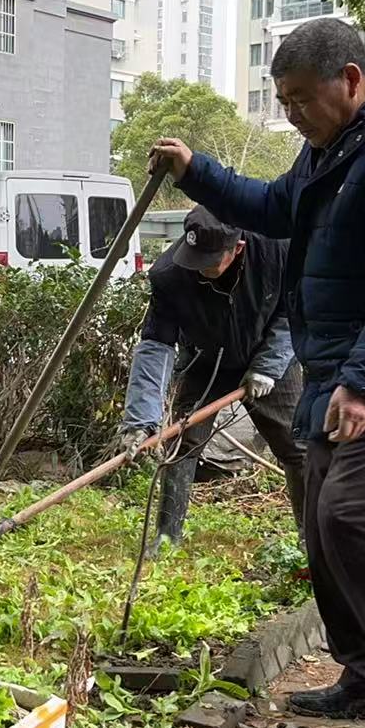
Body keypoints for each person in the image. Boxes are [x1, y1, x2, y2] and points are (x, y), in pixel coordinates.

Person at [148, 17, 365, 728]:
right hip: (344, 368)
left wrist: (364, 384)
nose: (291, 112)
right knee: (319, 519)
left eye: (301, 97)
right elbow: (273, 209)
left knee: (353, 512)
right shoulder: (333, 152)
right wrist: (195, 169)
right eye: (282, 99)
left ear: (352, 81)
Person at [120, 206, 303, 546]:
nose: (199, 268)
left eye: (209, 260)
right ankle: (167, 537)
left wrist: (268, 365)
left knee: (295, 445)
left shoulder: (278, 249)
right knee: (183, 443)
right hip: (206, 360)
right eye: (194, 258)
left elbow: (294, 311)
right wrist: (140, 419)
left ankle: (313, 537)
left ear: (238, 248)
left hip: (269, 356)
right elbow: (156, 345)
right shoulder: (169, 274)